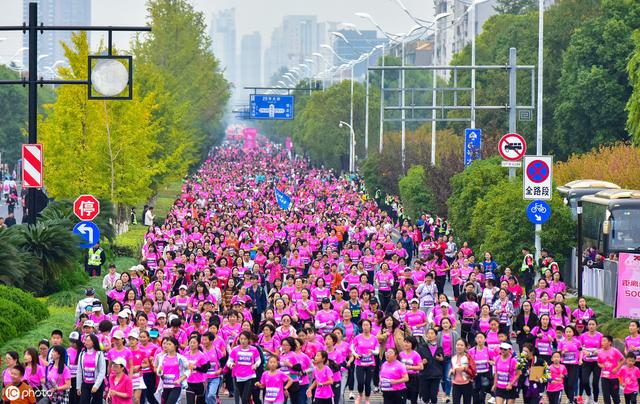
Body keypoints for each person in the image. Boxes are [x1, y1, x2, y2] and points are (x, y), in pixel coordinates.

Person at [156, 336, 189, 404]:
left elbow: (188, 370)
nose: (167, 346)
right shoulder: (162, 357)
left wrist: (180, 380)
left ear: (175, 346)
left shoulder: (180, 358)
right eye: (166, 344)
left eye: (169, 344)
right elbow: (159, 373)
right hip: (165, 386)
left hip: (176, 386)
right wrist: (159, 371)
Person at [76, 334, 107, 404]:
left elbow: (102, 371)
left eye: (89, 340)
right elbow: (79, 371)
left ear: (94, 342)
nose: (86, 342)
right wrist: (78, 387)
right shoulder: (82, 354)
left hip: (96, 384)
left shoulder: (99, 354)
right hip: (85, 384)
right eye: (86, 340)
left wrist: (96, 386)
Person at [598, 335, 625, 404]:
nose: (602, 342)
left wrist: (617, 368)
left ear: (609, 342)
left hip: (614, 377)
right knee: (606, 395)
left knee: (614, 395)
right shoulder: (600, 352)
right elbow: (599, 362)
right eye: (601, 341)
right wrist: (601, 365)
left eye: (604, 341)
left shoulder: (614, 351)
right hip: (604, 377)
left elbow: (623, 360)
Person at [450, 339, 472, 404]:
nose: (459, 347)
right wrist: (452, 371)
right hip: (456, 384)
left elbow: (472, 369)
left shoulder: (468, 357)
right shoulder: (453, 358)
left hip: (467, 384)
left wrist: (465, 368)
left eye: (461, 345)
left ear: (465, 347)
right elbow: (453, 370)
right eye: (458, 345)